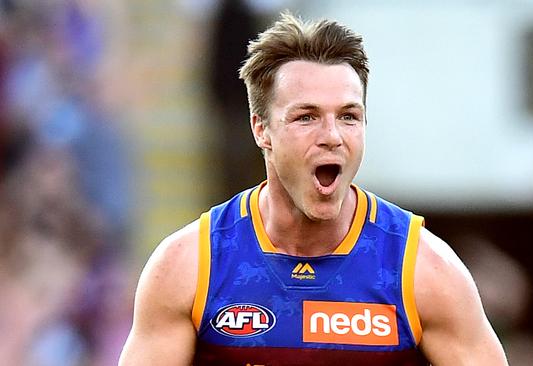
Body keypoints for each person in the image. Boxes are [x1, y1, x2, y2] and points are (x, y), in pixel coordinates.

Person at [119, 12, 508, 366]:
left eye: (348, 117)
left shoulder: (423, 269)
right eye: (306, 117)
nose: (332, 136)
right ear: (261, 129)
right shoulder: (190, 266)